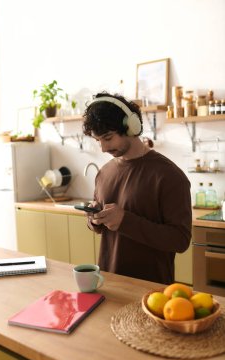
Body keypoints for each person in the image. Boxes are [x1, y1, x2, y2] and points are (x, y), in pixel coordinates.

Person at [82, 92, 192, 284]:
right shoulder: (104, 173)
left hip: (152, 292)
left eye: (108, 138)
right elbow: (104, 228)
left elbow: (180, 240)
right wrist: (94, 220)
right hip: (109, 282)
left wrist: (124, 220)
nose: (103, 148)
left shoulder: (169, 176)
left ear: (132, 126)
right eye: (98, 140)